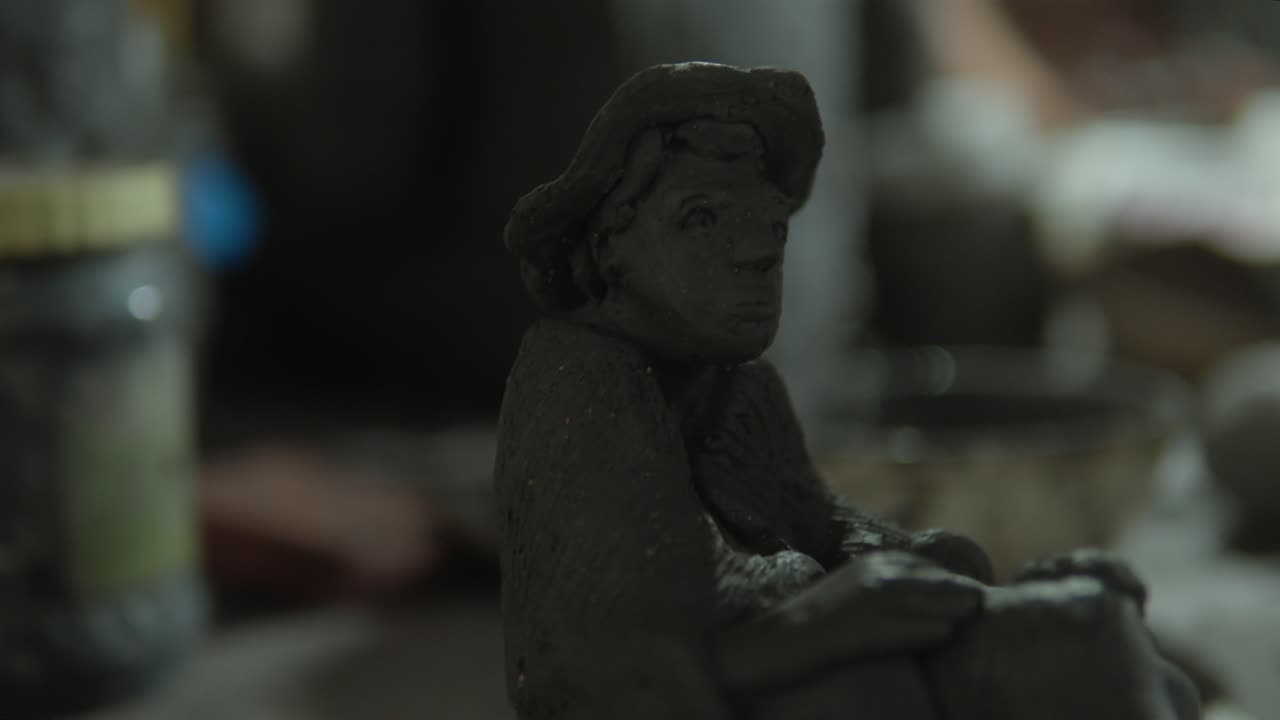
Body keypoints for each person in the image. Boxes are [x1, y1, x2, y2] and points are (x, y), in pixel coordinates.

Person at [494, 63, 1199, 719]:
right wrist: (822, 621)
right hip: (743, 689)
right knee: (1069, 642)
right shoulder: (581, 374)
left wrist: (919, 555)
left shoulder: (736, 385)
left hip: (816, 659)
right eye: (701, 217)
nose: (758, 251)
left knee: (1093, 629)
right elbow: (609, 667)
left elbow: (819, 521)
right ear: (611, 241)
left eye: (770, 223)